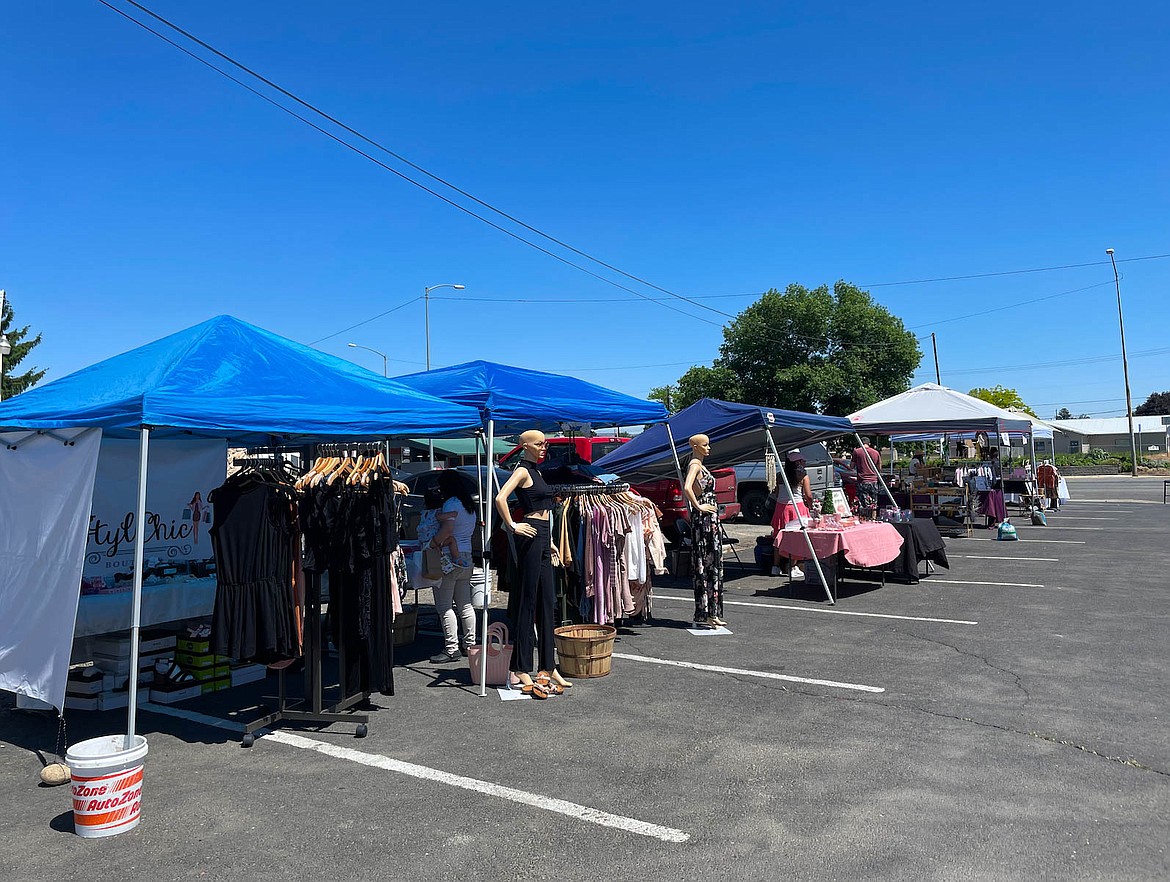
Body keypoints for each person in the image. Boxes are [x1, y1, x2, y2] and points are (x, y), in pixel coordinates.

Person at [495, 430, 571, 698]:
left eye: (544, 443)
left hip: (542, 534)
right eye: (538, 443)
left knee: (547, 601)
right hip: (530, 534)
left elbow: (545, 509)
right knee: (528, 601)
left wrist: (549, 540)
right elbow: (500, 498)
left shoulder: (536, 472)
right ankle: (521, 666)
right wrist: (513, 525)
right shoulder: (522, 471)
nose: (543, 447)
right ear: (524, 445)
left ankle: (548, 666)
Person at [428, 471, 477, 664]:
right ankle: (470, 645)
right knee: (465, 604)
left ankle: (451, 648)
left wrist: (432, 543)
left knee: (444, 605)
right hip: (466, 555)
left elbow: (447, 530)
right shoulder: (468, 505)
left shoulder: (451, 504)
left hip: (449, 556)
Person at [683, 433, 725, 628]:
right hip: (705, 520)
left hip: (711, 519)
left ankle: (712, 612)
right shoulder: (695, 465)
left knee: (713, 564)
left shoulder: (701, 465)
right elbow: (687, 487)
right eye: (705, 445)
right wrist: (699, 507)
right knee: (706, 563)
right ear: (695, 446)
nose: (709, 448)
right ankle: (705, 611)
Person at [771, 449, 814, 580]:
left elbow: (777, 493)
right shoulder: (803, 476)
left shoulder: (780, 475)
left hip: (781, 507)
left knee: (779, 537)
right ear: (798, 462)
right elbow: (808, 495)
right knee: (796, 537)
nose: (804, 462)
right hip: (797, 507)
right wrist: (810, 505)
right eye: (802, 460)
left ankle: (775, 567)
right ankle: (792, 567)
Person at [852, 436, 883, 519]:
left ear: (860, 443)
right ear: (869, 444)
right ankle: (873, 518)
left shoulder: (857, 452)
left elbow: (852, 466)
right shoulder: (876, 452)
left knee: (862, 503)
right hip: (873, 480)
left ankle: (864, 519)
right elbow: (879, 467)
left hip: (862, 480)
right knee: (874, 502)